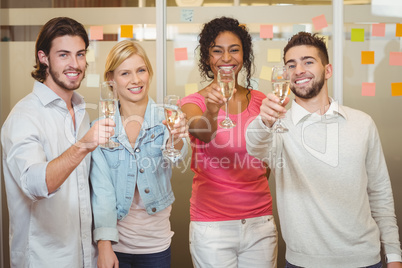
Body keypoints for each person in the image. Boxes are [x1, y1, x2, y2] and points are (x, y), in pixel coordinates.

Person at [246, 32, 402, 267]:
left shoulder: (362, 123)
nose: (298, 70)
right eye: (291, 65)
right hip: (303, 262)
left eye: (308, 61)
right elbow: (254, 145)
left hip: (365, 260)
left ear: (327, 70)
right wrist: (264, 120)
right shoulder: (277, 127)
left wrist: (394, 256)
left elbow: (380, 194)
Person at [1, 17, 114, 268]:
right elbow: (35, 184)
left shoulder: (81, 111)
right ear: (44, 58)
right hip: (45, 260)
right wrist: (84, 145)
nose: (75, 64)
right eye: (63, 55)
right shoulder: (24, 117)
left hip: (86, 257)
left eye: (80, 54)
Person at [181, 17, 278, 268]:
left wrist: (249, 180)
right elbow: (201, 132)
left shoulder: (259, 100)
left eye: (234, 49)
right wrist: (212, 112)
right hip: (211, 226)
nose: (226, 58)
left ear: (243, 56)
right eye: (217, 51)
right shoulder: (193, 102)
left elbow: (268, 157)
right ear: (207, 58)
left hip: (260, 223)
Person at [90, 40, 188, 268]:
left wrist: (178, 138)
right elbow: (101, 191)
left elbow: (179, 159)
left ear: (149, 73)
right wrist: (104, 245)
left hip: (156, 245)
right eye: (125, 73)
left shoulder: (168, 118)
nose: (136, 80)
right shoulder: (101, 128)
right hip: (114, 246)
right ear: (111, 79)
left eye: (141, 70)